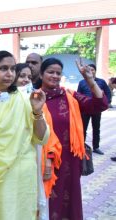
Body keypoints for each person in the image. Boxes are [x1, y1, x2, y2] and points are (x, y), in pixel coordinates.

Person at [0, 50, 49, 220]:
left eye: (12, 69)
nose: (9, 74)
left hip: (18, 174)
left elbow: (41, 138)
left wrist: (37, 112)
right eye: (3, 68)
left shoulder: (24, 98)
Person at [40, 58, 108, 220]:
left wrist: (89, 79)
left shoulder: (70, 95)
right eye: (50, 72)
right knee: (45, 200)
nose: (55, 76)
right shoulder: (34, 97)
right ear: (41, 74)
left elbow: (100, 105)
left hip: (70, 159)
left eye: (58, 73)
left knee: (69, 200)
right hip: (43, 160)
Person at [15, 62, 49, 220]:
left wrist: (37, 111)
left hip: (27, 164)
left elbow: (42, 137)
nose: (26, 80)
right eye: (22, 76)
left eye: (29, 77)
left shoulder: (35, 102)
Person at [77, 64, 112, 155]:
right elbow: (78, 95)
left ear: (95, 71)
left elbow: (108, 92)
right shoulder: (82, 82)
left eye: (92, 70)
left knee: (96, 128)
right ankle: (82, 146)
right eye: (89, 69)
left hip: (96, 109)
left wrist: (107, 103)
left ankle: (96, 147)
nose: (91, 71)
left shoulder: (101, 82)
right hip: (85, 109)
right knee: (83, 128)